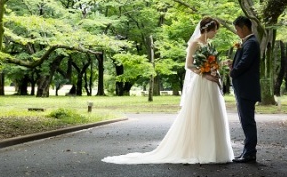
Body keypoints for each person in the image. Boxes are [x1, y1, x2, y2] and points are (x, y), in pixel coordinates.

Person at [102, 16, 234, 164]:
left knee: (213, 114)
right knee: (202, 114)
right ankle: (201, 150)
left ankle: (215, 151)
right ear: (207, 29)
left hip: (212, 83)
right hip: (202, 83)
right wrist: (204, 72)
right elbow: (188, 65)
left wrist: (220, 64)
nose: (216, 33)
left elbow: (212, 63)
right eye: (215, 30)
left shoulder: (209, 45)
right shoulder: (194, 44)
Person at [230, 15, 261, 163]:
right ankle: (247, 152)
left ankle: (249, 153)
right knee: (246, 120)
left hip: (247, 89)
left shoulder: (251, 43)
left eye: (237, 29)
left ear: (244, 27)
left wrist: (232, 72)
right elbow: (241, 62)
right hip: (244, 89)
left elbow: (245, 63)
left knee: (248, 121)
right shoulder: (248, 43)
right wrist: (233, 64)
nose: (237, 32)